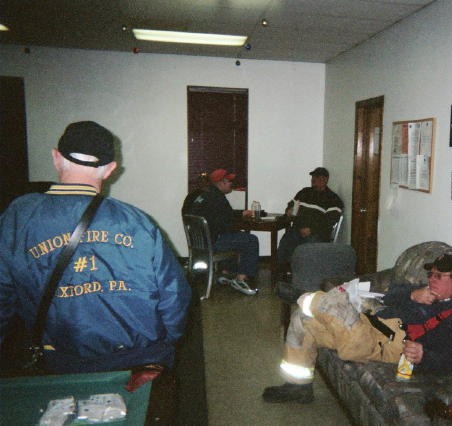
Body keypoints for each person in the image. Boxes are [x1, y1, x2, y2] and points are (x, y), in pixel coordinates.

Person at [0, 120, 192, 375]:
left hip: (62, 362)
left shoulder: (19, 216)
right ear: (110, 169)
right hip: (140, 362)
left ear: (56, 158)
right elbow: (175, 295)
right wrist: (166, 343)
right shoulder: (136, 221)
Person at [262, 253, 452, 403]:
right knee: (303, 320)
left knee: (335, 306)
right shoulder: (421, 290)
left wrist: (424, 355)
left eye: (439, 276)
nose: (431, 279)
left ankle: (302, 296)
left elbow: (449, 360)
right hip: (368, 325)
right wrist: (412, 295)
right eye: (430, 274)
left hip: (382, 344)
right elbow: (387, 296)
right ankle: (298, 387)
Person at [182, 169, 259, 296]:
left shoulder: (203, 196)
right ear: (221, 182)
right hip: (213, 243)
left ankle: (226, 274)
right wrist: (240, 221)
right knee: (250, 240)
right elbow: (227, 223)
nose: (231, 184)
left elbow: (221, 216)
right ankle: (241, 279)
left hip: (200, 244)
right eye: (229, 181)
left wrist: (240, 214)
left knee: (236, 237)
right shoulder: (217, 198)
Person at [276, 167, 344, 264]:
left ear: (325, 179)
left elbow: (329, 221)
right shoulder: (304, 192)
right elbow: (291, 206)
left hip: (317, 234)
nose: (313, 179)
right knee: (286, 240)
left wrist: (311, 230)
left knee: (306, 247)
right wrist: (289, 211)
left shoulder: (333, 199)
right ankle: (282, 270)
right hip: (297, 230)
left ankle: (301, 271)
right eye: (312, 177)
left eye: (316, 177)